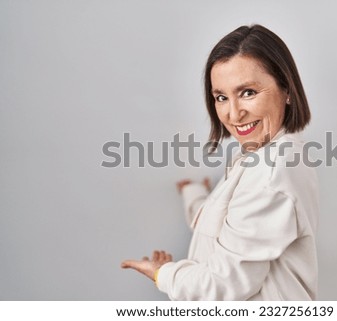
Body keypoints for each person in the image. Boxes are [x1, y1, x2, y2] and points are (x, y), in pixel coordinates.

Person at [121, 24, 319, 300]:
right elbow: (232, 226)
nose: (234, 114)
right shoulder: (260, 157)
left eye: (248, 92)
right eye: (221, 97)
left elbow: (224, 283)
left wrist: (163, 274)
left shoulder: (271, 171)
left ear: (286, 89)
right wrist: (194, 194)